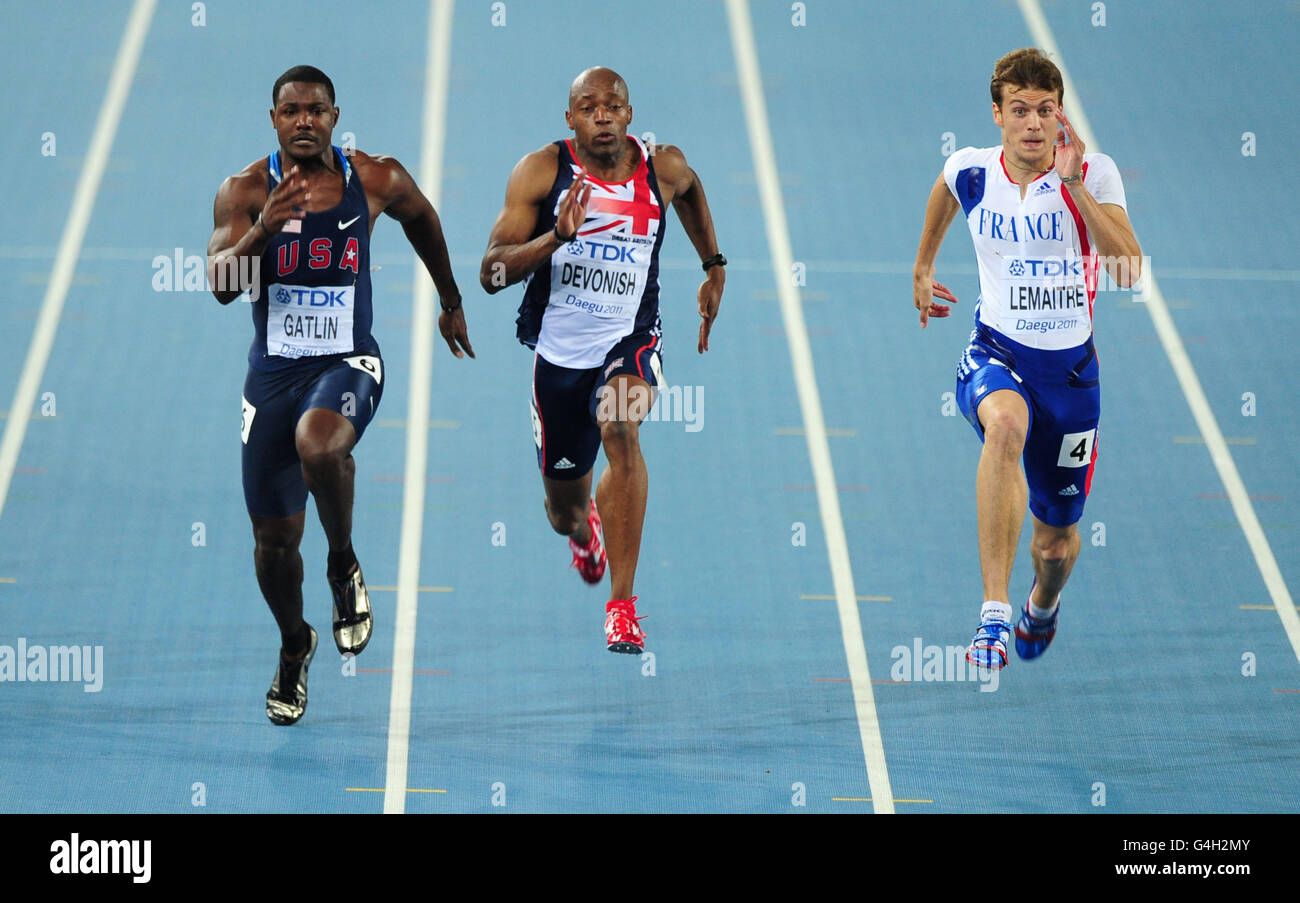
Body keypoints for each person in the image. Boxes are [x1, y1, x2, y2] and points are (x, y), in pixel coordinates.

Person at [206, 65, 473, 724]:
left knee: (320, 445)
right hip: (272, 376)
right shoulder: (243, 191)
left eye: (316, 110)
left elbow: (423, 218)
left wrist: (450, 297)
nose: (304, 121)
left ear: (334, 116)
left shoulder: (374, 178)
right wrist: (262, 229)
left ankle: (343, 564)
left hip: (349, 361)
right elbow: (218, 282)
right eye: (291, 110)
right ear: (273, 119)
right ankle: (295, 646)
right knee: (272, 544)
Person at [480, 67, 725, 654]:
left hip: (630, 339)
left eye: (612, 105)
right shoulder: (541, 172)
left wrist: (713, 264)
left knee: (619, 426)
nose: (602, 115)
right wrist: (555, 239)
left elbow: (690, 190)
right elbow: (490, 273)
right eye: (588, 108)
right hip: (559, 358)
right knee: (563, 509)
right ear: (571, 120)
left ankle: (622, 605)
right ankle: (582, 529)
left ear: (629, 113)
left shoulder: (661, 166)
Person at [911, 48, 1141, 670]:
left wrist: (1073, 187)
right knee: (1004, 429)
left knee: (1058, 542)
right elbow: (945, 191)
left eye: (1045, 110)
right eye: (1020, 111)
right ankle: (992, 613)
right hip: (997, 353)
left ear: (1060, 114)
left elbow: (1128, 268)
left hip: (1070, 378)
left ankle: (1041, 602)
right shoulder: (973, 171)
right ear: (997, 115)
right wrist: (925, 263)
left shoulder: (1094, 175)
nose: (1034, 124)